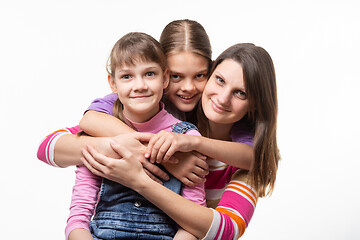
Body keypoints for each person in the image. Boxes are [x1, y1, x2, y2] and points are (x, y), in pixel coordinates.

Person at [81, 43, 280, 239]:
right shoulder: (153, 111)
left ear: (255, 104)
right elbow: (60, 140)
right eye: (219, 80)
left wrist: (193, 144)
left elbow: (227, 230)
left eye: (240, 93)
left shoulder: (243, 153)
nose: (223, 98)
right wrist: (161, 157)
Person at [67, 32, 207, 240]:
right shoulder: (96, 134)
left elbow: (193, 222)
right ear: (113, 84)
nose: (139, 85)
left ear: (165, 78)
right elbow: (78, 218)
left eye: (150, 74)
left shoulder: (185, 135)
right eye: (127, 76)